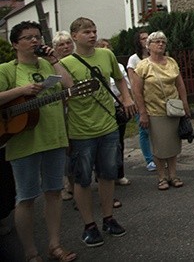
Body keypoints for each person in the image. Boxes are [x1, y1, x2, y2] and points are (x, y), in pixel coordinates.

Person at [0, 21, 77, 262]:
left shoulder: (47, 64)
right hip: (23, 141)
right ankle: (30, 252)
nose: (35, 41)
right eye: (28, 37)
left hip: (53, 136)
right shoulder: (7, 69)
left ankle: (55, 245)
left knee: (54, 192)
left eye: (37, 36)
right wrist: (21, 91)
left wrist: (55, 60)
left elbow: (69, 86)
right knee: (26, 197)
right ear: (15, 43)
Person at [60, 17, 136, 248]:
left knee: (108, 174)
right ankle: (89, 225)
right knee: (83, 180)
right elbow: (64, 91)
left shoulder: (106, 55)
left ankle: (108, 218)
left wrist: (126, 97)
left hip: (108, 125)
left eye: (94, 31)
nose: (92, 35)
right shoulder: (64, 63)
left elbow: (119, 79)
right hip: (81, 130)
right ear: (74, 36)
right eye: (86, 32)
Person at [131, 31, 190, 191]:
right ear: (148, 46)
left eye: (163, 42)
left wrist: (185, 104)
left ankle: (173, 174)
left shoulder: (171, 62)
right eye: (156, 42)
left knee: (172, 144)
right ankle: (161, 177)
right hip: (154, 111)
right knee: (159, 146)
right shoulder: (143, 66)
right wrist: (142, 112)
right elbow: (137, 91)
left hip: (173, 109)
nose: (160, 44)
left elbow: (180, 84)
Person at [95, 38, 131, 193]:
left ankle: (119, 173)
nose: (106, 49)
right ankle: (102, 175)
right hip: (101, 110)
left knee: (118, 143)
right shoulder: (96, 66)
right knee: (101, 145)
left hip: (117, 108)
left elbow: (125, 85)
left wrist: (123, 101)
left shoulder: (118, 66)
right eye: (102, 47)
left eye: (108, 47)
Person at [126, 30, 155, 172]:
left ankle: (159, 156)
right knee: (144, 130)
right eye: (143, 38)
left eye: (147, 38)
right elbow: (132, 81)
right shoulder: (134, 59)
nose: (146, 40)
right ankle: (149, 159)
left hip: (155, 99)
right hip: (141, 98)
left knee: (157, 130)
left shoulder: (155, 56)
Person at [52, 31, 75, 202]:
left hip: (76, 110)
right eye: (61, 44)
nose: (66, 47)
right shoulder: (51, 65)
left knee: (75, 149)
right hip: (58, 112)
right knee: (64, 151)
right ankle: (66, 183)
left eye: (68, 43)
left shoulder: (77, 61)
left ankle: (77, 183)